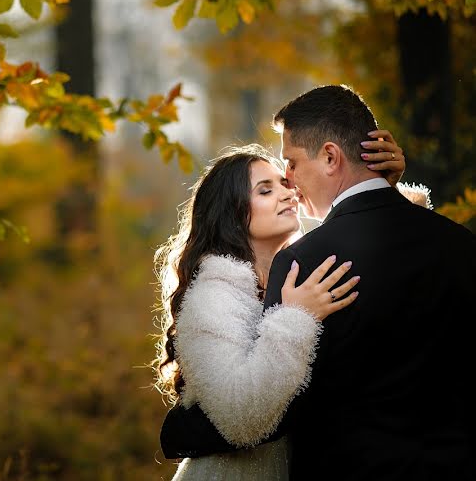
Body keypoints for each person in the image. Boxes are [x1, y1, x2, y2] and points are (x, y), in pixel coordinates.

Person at [158, 85, 476, 481]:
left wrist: (181, 432)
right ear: (232, 212)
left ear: (330, 156)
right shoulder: (461, 245)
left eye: (288, 167)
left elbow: (301, 402)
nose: (289, 185)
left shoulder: (304, 266)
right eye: (266, 187)